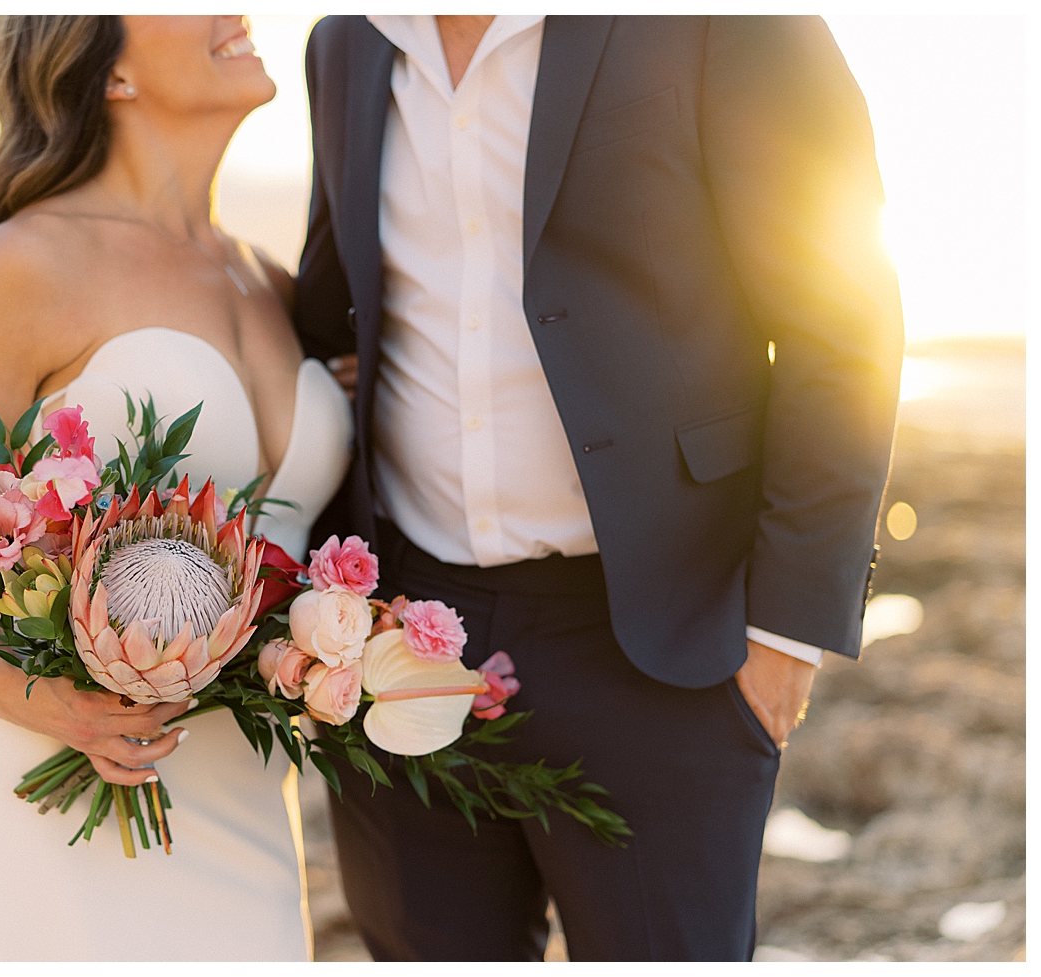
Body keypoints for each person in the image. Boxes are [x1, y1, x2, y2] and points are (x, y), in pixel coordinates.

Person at [295, 15, 903, 961]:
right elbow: (332, 304)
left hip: (664, 649)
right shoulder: (345, 43)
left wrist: (783, 637)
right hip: (398, 648)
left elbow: (844, 319)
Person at [0, 15, 352, 961]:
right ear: (109, 73)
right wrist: (33, 700)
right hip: (54, 779)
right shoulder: (25, 264)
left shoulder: (275, 283)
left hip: (246, 792)